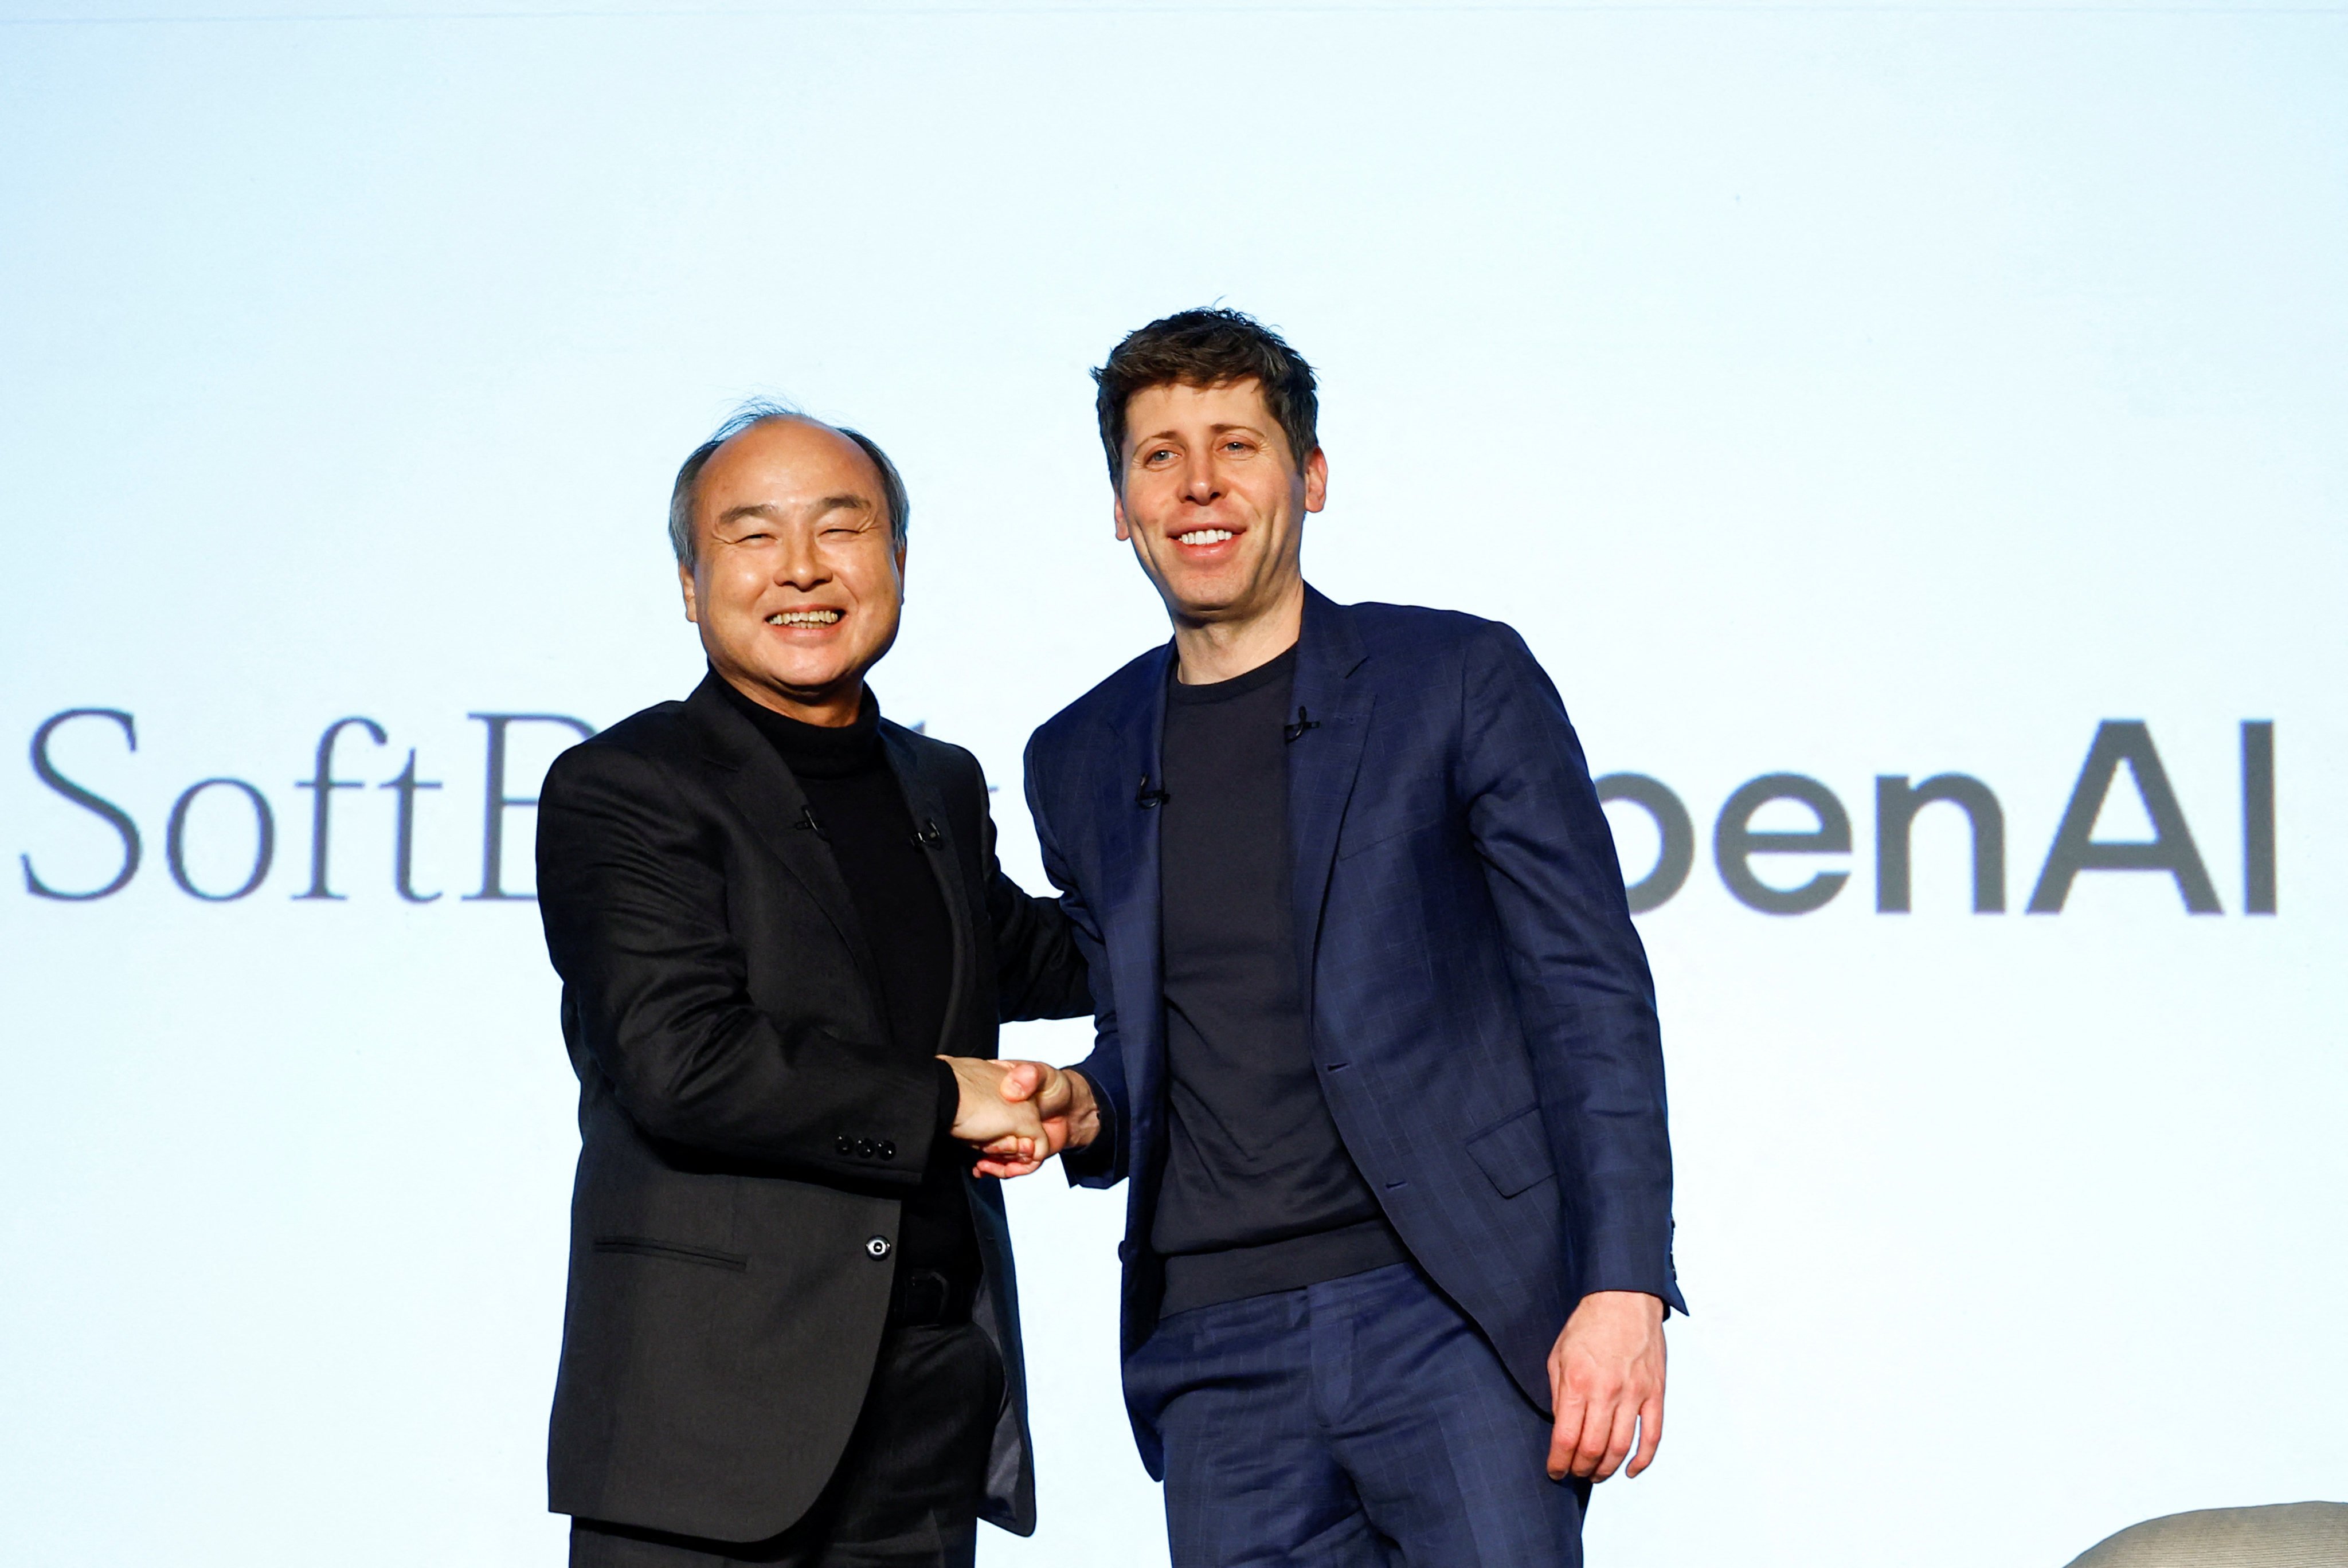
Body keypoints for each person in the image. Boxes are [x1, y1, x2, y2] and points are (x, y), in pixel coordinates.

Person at [1015, 309, 1685, 1566]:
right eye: (1158, 455)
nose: (1198, 483)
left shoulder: (1456, 677)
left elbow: (1588, 995)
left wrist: (1622, 1284)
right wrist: (1079, 1105)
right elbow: (1143, 1037)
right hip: (1214, 1351)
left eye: (1235, 445)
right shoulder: (1077, 756)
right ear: (1119, 502)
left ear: (1307, 477)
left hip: (1447, 1316)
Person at [534, 403, 1091, 1568]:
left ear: (895, 562)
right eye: (752, 535)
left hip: (923, 1414)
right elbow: (681, 1062)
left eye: (842, 529)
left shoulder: (934, 781)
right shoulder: (624, 786)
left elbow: (1031, 951)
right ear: (690, 584)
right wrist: (948, 1101)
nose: (802, 568)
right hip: (706, 1430)